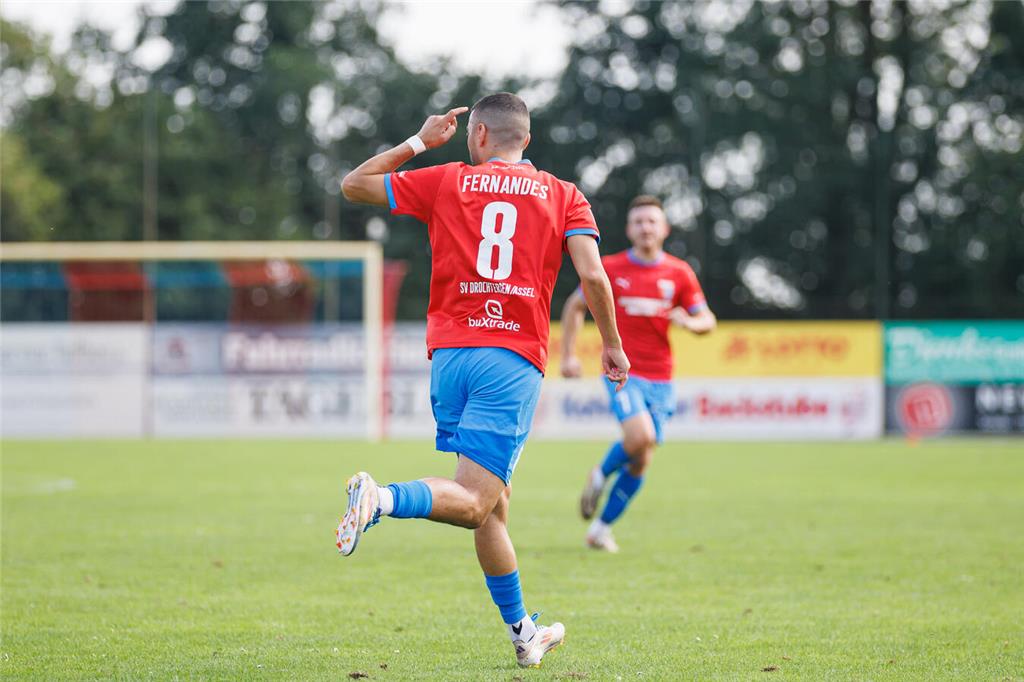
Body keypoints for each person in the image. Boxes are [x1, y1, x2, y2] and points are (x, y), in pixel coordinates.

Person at [337, 93, 629, 669]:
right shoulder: (564, 195)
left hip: (451, 358)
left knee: (494, 505)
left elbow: (355, 183)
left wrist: (421, 142)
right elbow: (592, 274)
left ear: (476, 136)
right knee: (473, 502)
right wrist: (613, 345)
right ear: (527, 138)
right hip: (511, 359)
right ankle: (381, 499)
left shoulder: (446, 180)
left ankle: (525, 633)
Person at [560, 195, 716, 553]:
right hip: (622, 371)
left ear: (664, 229)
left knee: (642, 457)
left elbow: (708, 319)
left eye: (652, 221)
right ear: (629, 229)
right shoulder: (611, 269)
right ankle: (599, 474)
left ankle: (600, 530)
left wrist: (691, 323)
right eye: (639, 222)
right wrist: (568, 355)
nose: (646, 227)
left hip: (662, 377)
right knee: (641, 435)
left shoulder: (679, 273)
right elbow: (574, 306)